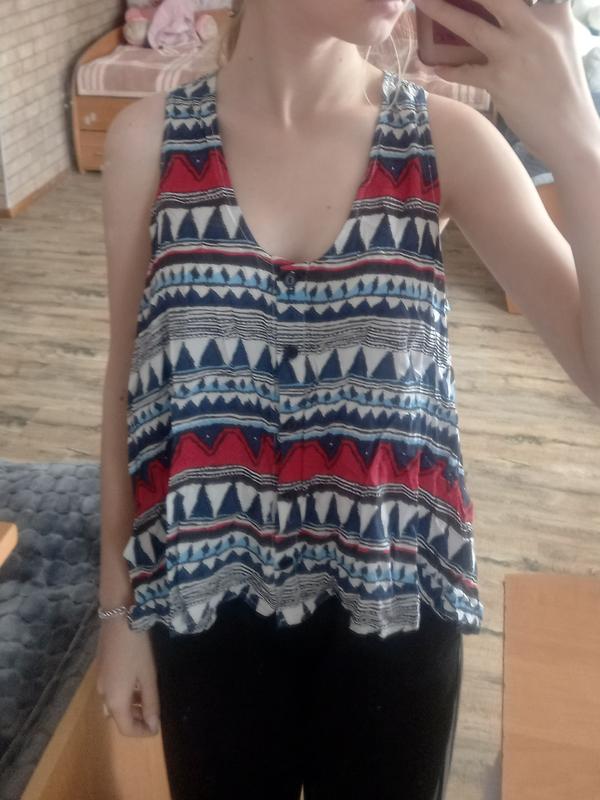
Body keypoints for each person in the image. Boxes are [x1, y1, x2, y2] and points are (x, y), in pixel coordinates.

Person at [95, 1, 600, 798]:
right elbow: (127, 388)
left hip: (396, 602)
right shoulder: (147, 144)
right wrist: (116, 614)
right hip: (204, 598)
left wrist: (577, 141)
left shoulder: (445, 142)